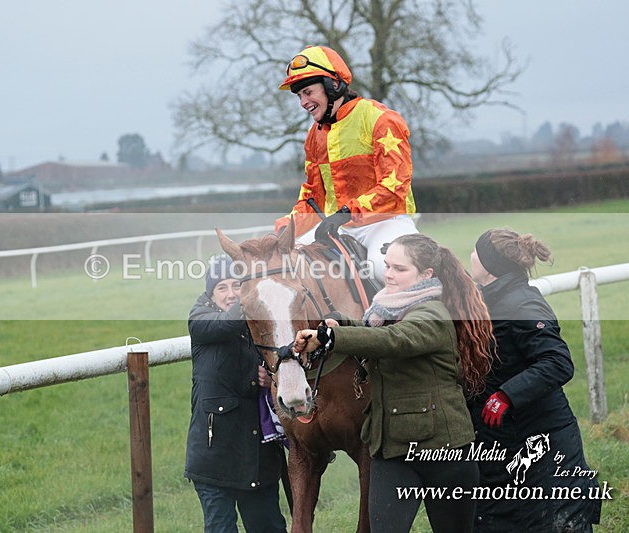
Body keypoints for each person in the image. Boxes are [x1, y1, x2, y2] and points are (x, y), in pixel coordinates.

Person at [293, 233, 493, 533]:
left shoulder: (433, 313)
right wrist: (339, 323)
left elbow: (394, 340)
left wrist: (333, 338)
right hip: (392, 450)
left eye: (400, 269)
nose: (388, 274)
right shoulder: (385, 310)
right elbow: (374, 331)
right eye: (387, 266)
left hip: (444, 451)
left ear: (426, 275)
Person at [469, 229, 602, 532]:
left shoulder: (521, 305)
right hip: (507, 438)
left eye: (476, 252)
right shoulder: (489, 297)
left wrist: (505, 395)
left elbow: (558, 362)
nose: (472, 256)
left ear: (490, 265)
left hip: (544, 438)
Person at [275, 45, 419, 284]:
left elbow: (395, 188)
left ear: (332, 85)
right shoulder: (314, 135)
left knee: (382, 270)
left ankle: (424, 318)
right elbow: (313, 198)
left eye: (308, 92)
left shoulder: (380, 119)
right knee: (286, 269)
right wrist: (284, 230)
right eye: (299, 95)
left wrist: (346, 213)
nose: (303, 102)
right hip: (336, 227)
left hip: (385, 223)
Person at [184, 254, 288, 532]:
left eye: (237, 286)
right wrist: (253, 294)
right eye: (222, 287)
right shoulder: (201, 319)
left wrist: (271, 378)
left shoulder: (259, 324)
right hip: (214, 457)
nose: (231, 294)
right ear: (210, 293)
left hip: (258, 456)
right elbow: (228, 324)